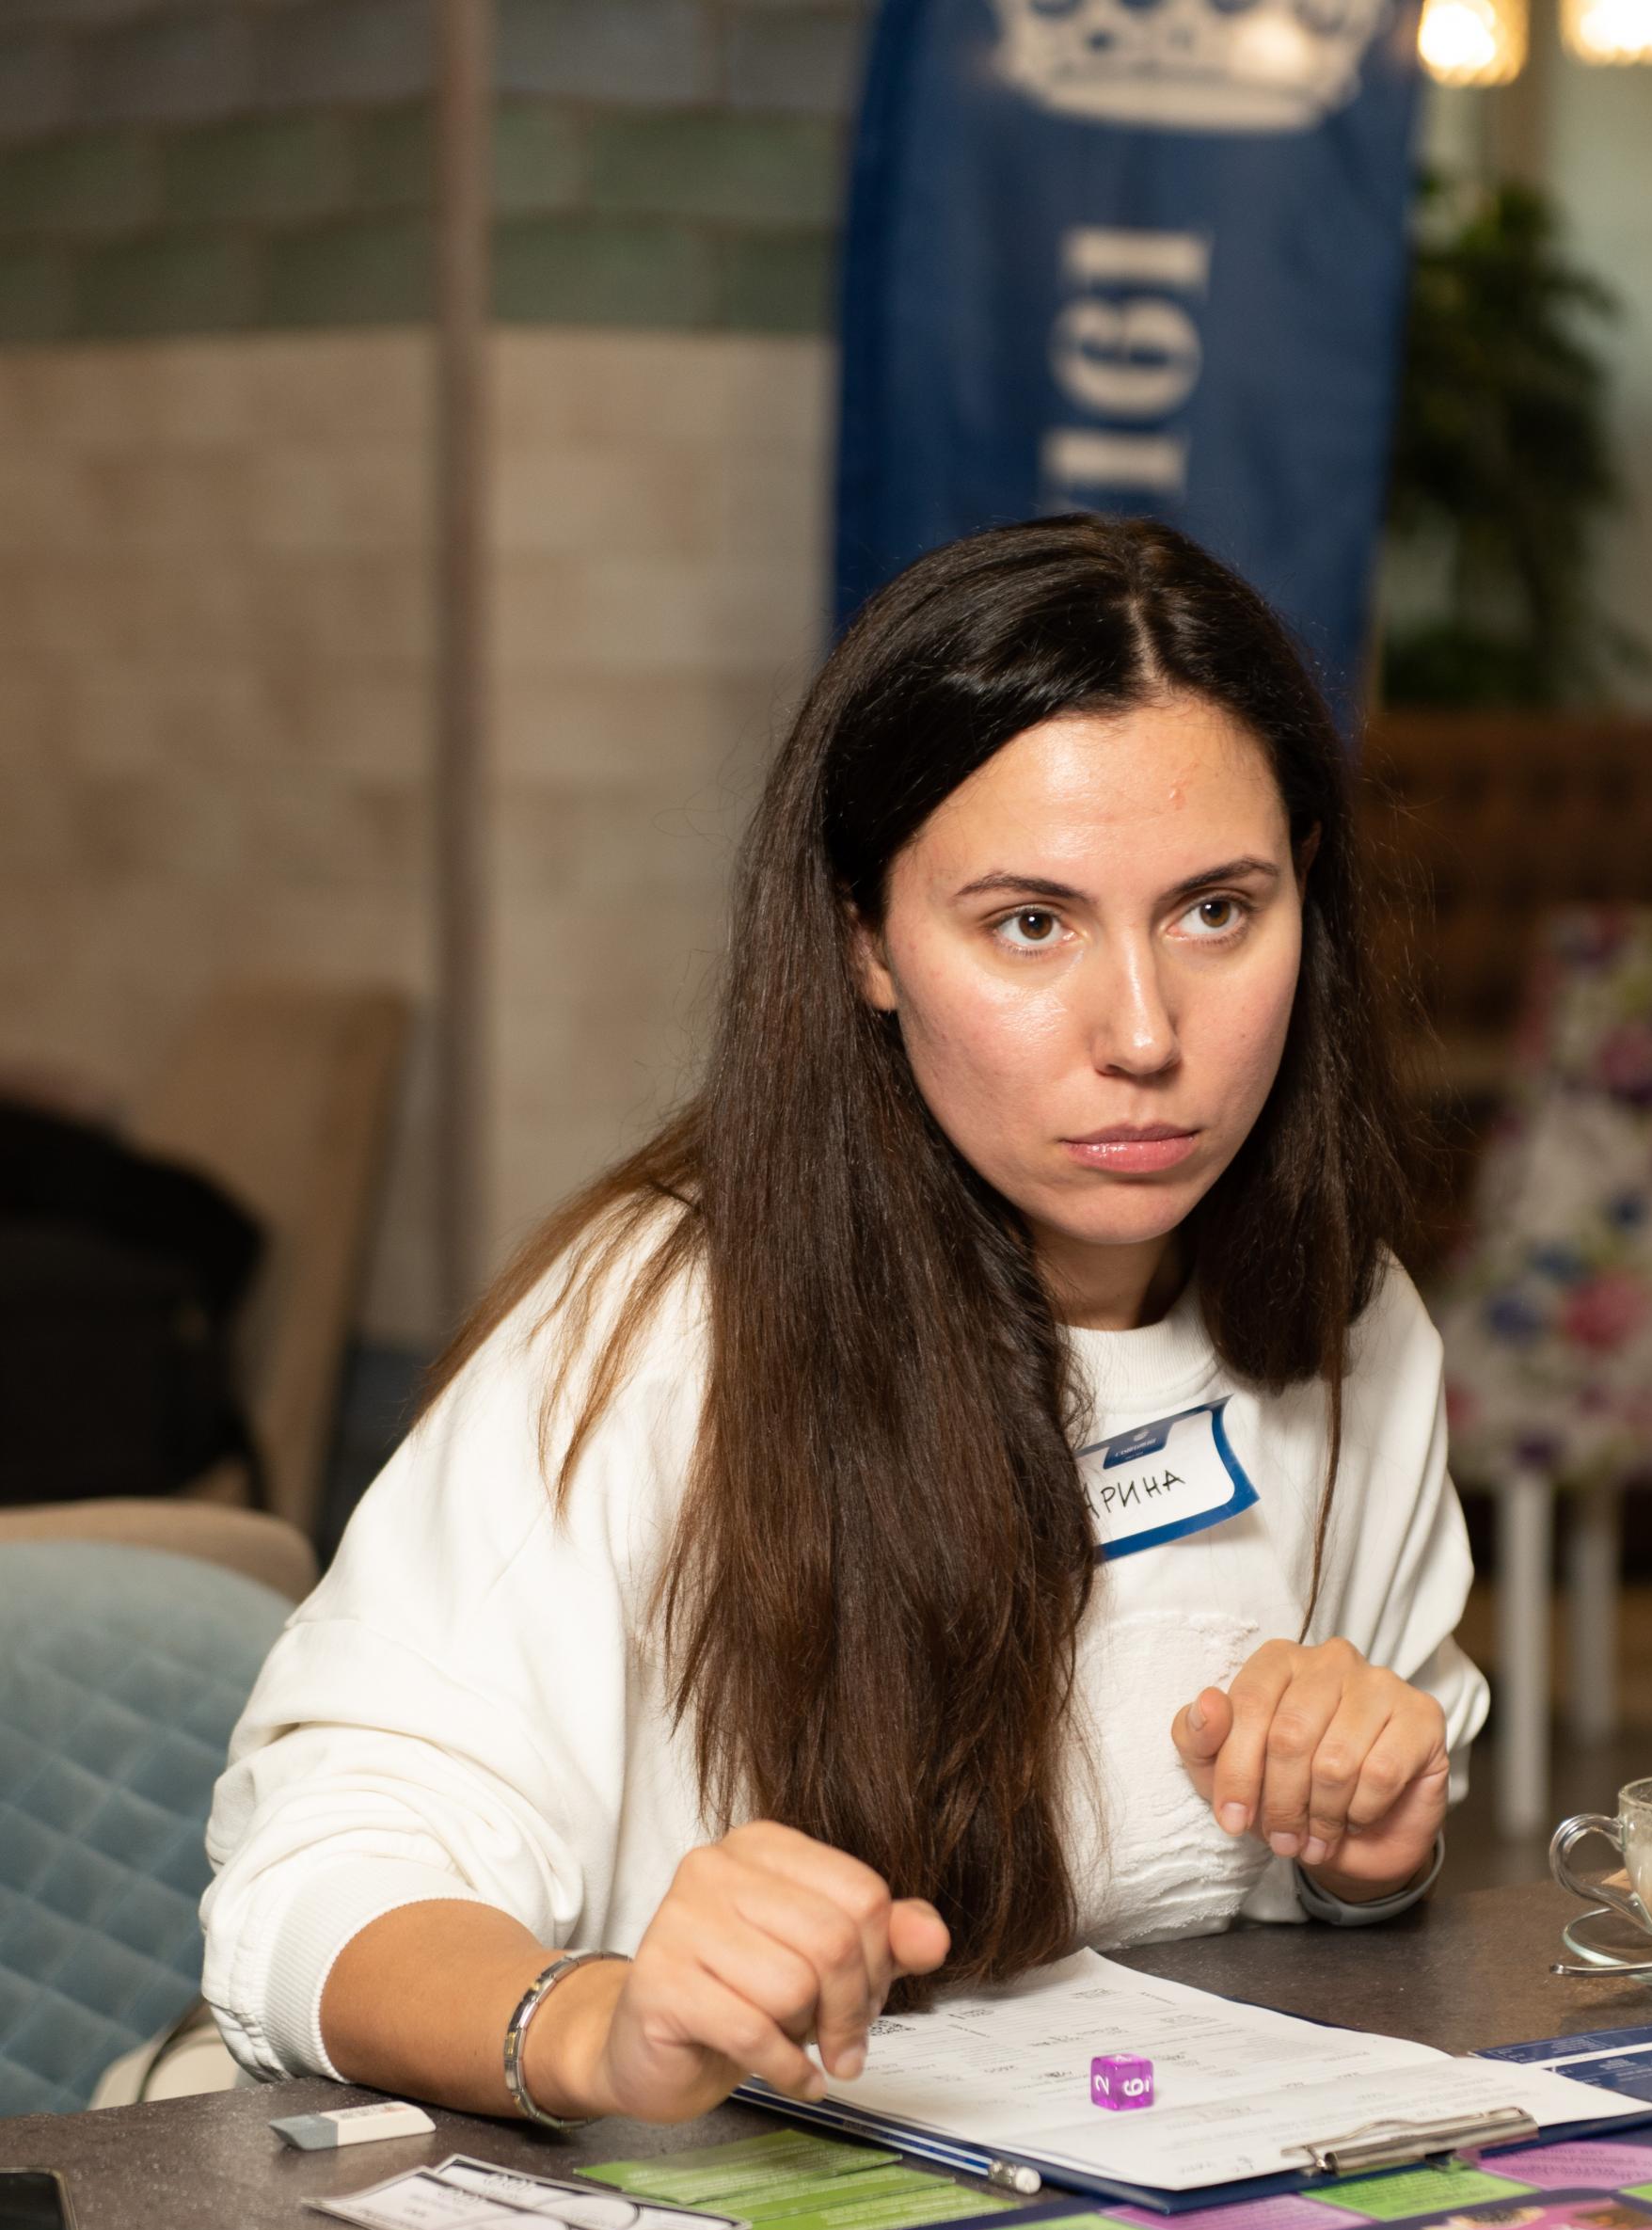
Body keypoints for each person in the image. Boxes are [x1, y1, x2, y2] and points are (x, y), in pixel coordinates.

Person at [202, 515, 1488, 2131]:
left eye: (1215, 911)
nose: (1145, 1033)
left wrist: (1360, 1844)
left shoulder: (1352, 1324)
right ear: (866, 940)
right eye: (1031, 924)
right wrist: (595, 2027)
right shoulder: (657, 1326)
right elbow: (311, 1882)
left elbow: (1260, 1890)